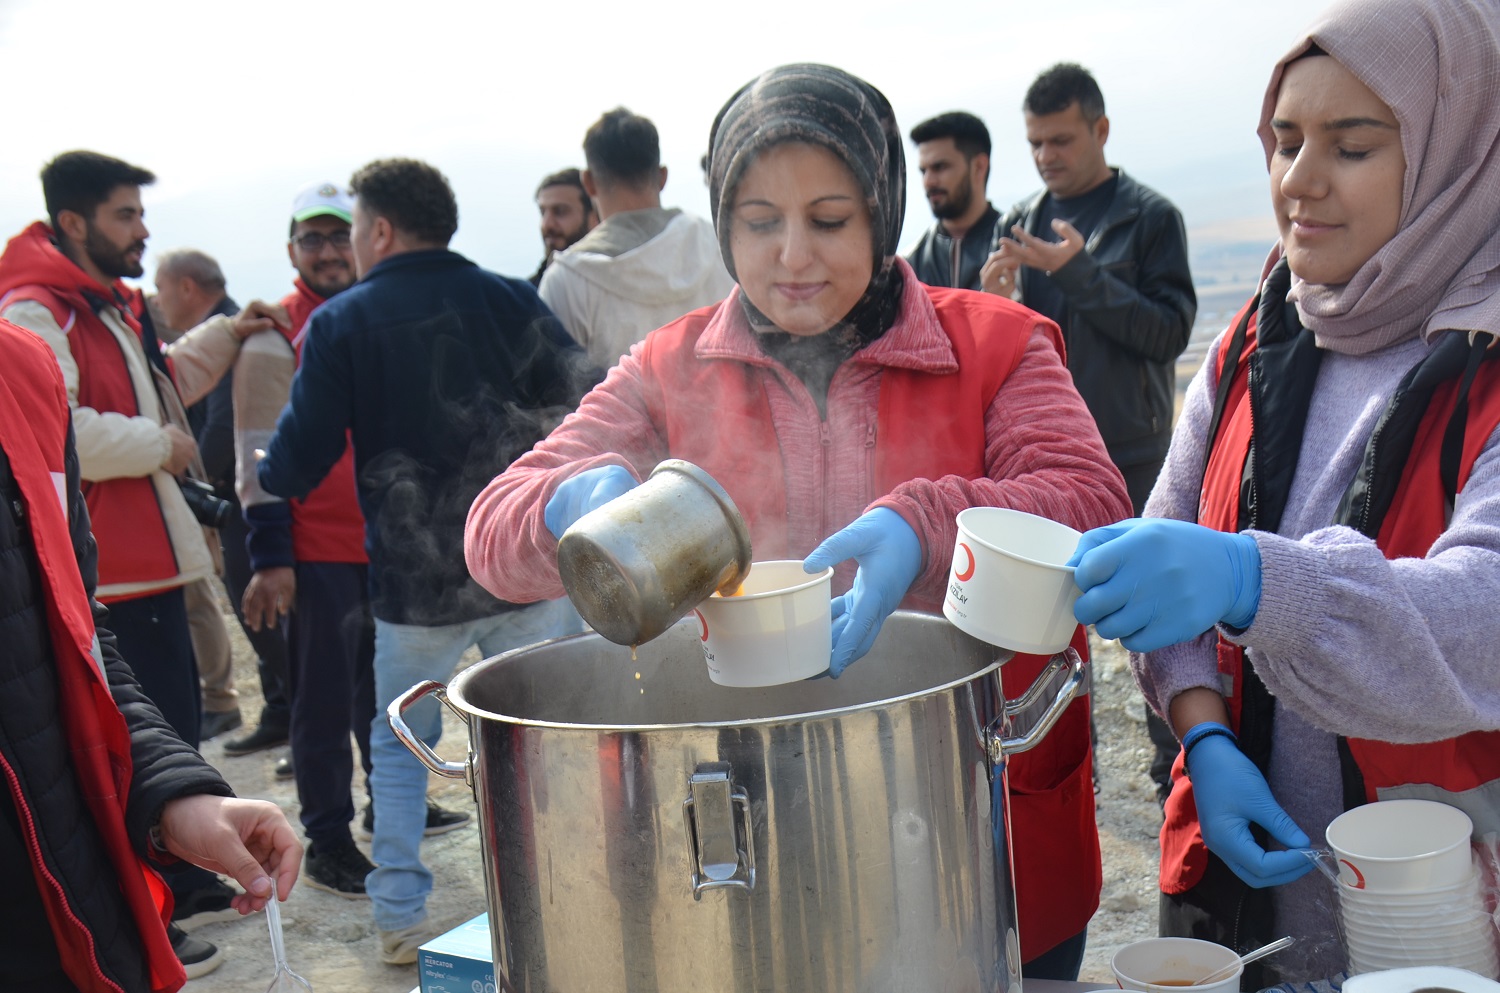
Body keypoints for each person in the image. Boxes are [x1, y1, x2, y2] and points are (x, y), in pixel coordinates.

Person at [466, 63, 1132, 978]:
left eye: (829, 220)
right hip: (759, 852)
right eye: (758, 222)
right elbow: (492, 531)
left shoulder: (993, 345)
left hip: (982, 824)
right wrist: (571, 503)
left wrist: (927, 521)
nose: (793, 257)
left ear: (882, 212)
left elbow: (1093, 504)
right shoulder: (673, 366)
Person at [1067, 0, 1500, 981]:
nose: (1299, 181)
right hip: (1248, 894)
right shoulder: (1259, 340)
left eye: (1351, 147)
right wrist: (1203, 727)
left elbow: (1487, 617)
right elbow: (1167, 551)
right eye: (1284, 141)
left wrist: (1263, 583)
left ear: (1458, 153)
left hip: (1451, 912)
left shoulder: (1488, 358)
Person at [257, 158, 591, 963]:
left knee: (401, 744)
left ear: (378, 230)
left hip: (414, 589)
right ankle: (574, 889)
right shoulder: (512, 295)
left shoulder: (341, 321)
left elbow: (295, 464)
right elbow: (583, 400)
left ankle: (403, 916)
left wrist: (266, 470)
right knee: (554, 735)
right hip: (522, 565)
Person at [0, 150, 289, 953]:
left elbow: (161, 382)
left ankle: (172, 889)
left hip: (146, 562)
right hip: (110, 572)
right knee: (122, 743)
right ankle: (163, 906)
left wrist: (231, 331)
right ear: (73, 222)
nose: (141, 231)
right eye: (125, 215)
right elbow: (66, 432)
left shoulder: (98, 308)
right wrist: (156, 443)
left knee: (167, 731)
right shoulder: (34, 316)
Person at [238, 180, 467, 899]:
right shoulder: (276, 339)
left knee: (390, 691)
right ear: (292, 250)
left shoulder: (373, 318)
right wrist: (272, 555)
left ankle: (391, 804)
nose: (329, 250)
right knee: (323, 701)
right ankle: (329, 835)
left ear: (368, 238)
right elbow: (256, 457)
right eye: (313, 239)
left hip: (388, 547)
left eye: (341, 235)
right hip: (318, 551)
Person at [980, 63, 1196, 804]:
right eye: (1036, 142)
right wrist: (997, 300)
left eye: (1061, 140)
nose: (1046, 156)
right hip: (1047, 471)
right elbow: (1011, 347)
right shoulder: (1022, 218)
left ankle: (1181, 773)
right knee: (1046, 635)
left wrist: (1077, 272)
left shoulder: (1150, 218)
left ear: (1100, 130)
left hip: (1135, 456)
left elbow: (1166, 333)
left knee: (1159, 625)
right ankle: (1064, 776)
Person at [155, 247, 295, 750]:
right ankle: (283, 713)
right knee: (259, 620)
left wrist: (188, 481)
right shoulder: (231, 330)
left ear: (187, 287)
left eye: (162, 285)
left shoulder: (240, 336)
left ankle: (299, 725)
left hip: (243, 499)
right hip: (234, 496)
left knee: (267, 621)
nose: (158, 298)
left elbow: (221, 432)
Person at [539, 107, 734, 370]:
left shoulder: (568, 278)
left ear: (589, 183)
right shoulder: (720, 245)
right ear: (662, 177)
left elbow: (561, 389)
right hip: (725, 410)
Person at [904, 111, 1001, 289]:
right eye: (923, 171)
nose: (928, 181)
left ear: (979, 167)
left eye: (939, 167)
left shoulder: (1016, 249)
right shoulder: (909, 266)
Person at [528, 168, 597, 286]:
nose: (547, 224)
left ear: (594, 218)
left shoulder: (621, 283)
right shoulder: (524, 298)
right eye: (543, 212)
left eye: (560, 211)